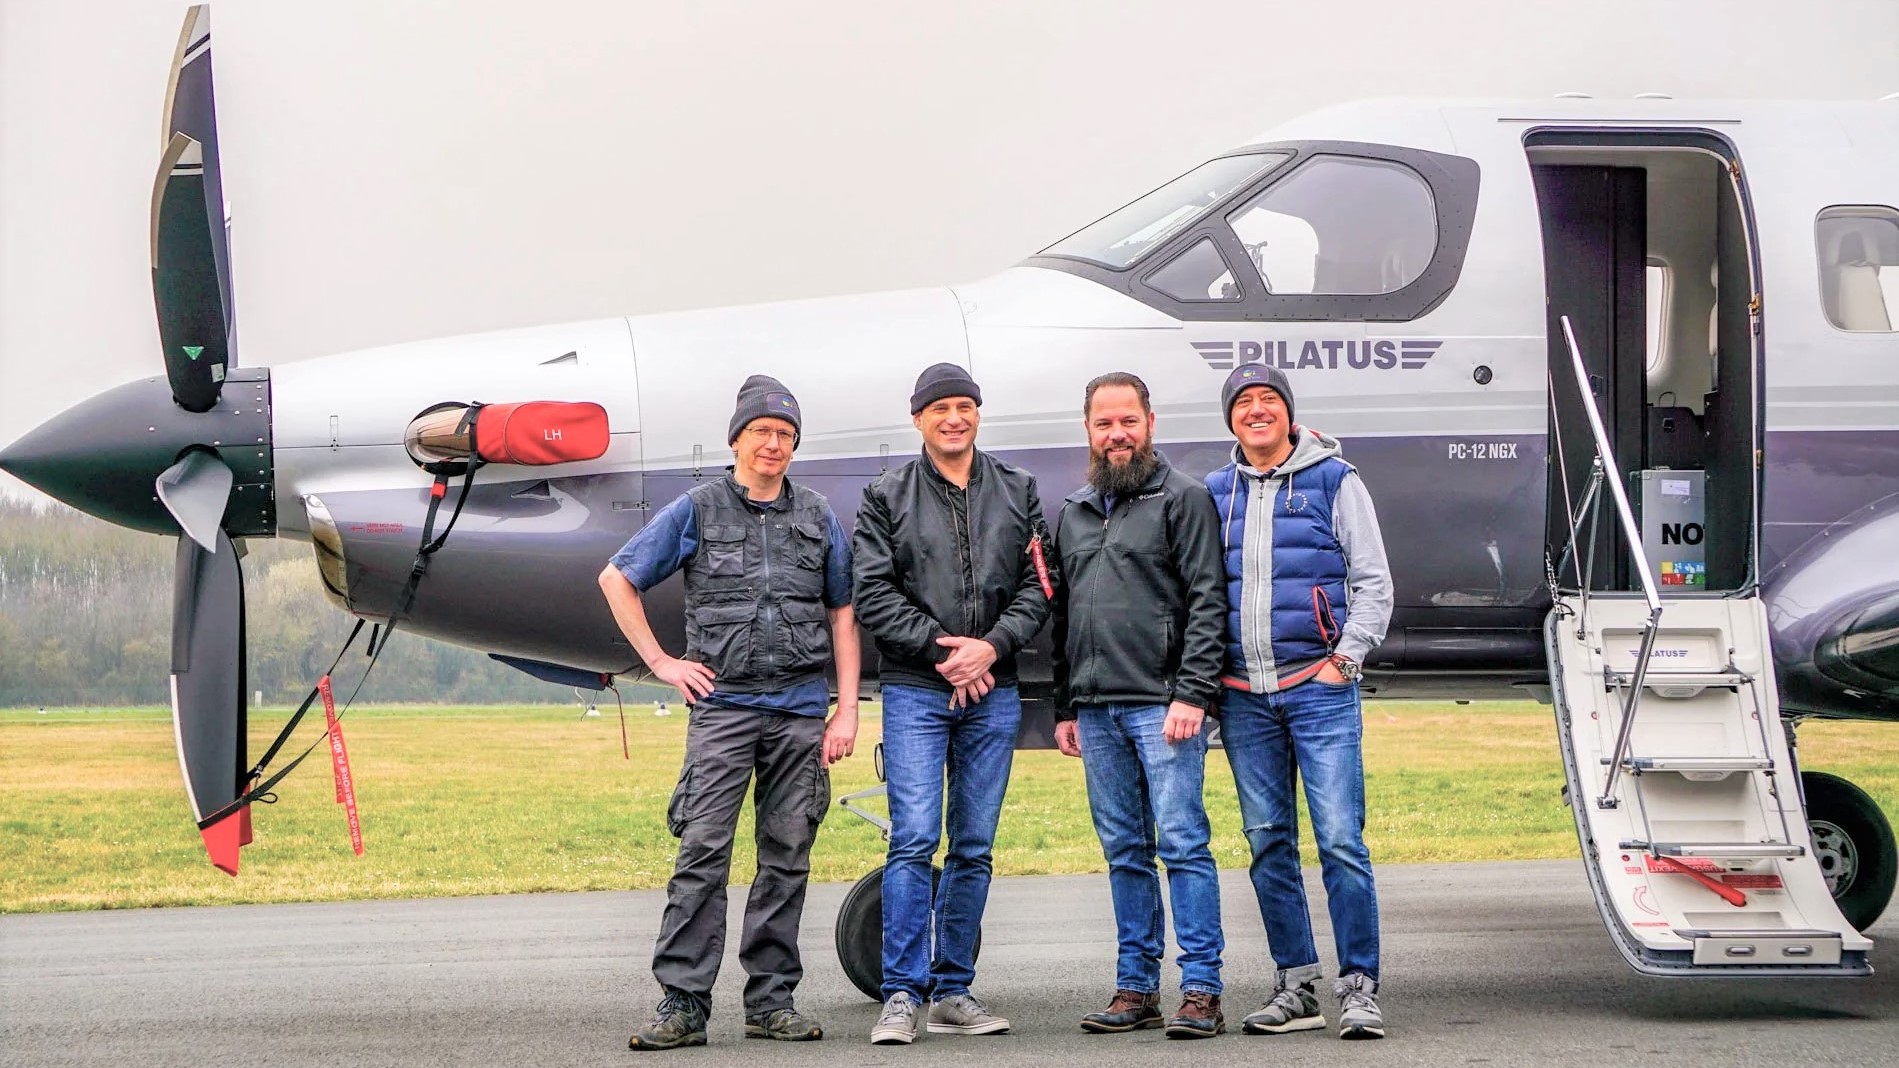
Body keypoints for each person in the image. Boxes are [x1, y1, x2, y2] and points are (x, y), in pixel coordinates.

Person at [598, 374, 860, 1050]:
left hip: (801, 709)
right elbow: (617, 578)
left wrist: (846, 710)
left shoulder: (816, 516)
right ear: (737, 439)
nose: (772, 444)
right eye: (761, 432)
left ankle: (771, 1001)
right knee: (702, 851)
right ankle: (682, 1003)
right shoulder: (697, 510)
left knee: (787, 854)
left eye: (784, 435)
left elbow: (842, 611)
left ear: (793, 446)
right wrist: (661, 662)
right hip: (724, 708)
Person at [852, 362, 1050, 1045]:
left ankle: (953, 990)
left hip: (991, 690)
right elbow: (872, 593)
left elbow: (1039, 586)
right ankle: (901, 994)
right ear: (918, 419)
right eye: (940, 409)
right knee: (912, 841)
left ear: (977, 413)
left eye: (965, 406)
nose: (954, 418)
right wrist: (945, 653)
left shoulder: (1018, 490)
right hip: (915, 689)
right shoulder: (886, 495)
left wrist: (989, 649)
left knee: (972, 846)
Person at [1203, 363, 1393, 1040]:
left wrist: (1344, 661)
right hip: (1243, 700)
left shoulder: (1334, 481)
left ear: (1287, 413)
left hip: (1317, 690)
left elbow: (1372, 579)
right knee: (1267, 844)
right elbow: (1200, 593)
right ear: (1230, 418)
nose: (1256, 411)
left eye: (1267, 401)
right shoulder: (1214, 492)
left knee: (1340, 842)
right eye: (1243, 403)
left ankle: (1359, 988)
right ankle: (1295, 985)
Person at [1049, 372, 1230, 1039]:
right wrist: (1065, 706)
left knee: (1182, 844)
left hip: (1163, 707)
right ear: (1088, 430)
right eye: (1103, 423)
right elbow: (1063, 613)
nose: (1116, 434)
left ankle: (1202, 990)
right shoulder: (1071, 510)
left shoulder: (1184, 499)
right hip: (1095, 712)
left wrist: (1193, 692)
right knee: (1124, 849)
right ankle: (1135, 987)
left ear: (1150, 421)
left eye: (1127, 420)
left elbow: (1209, 600)